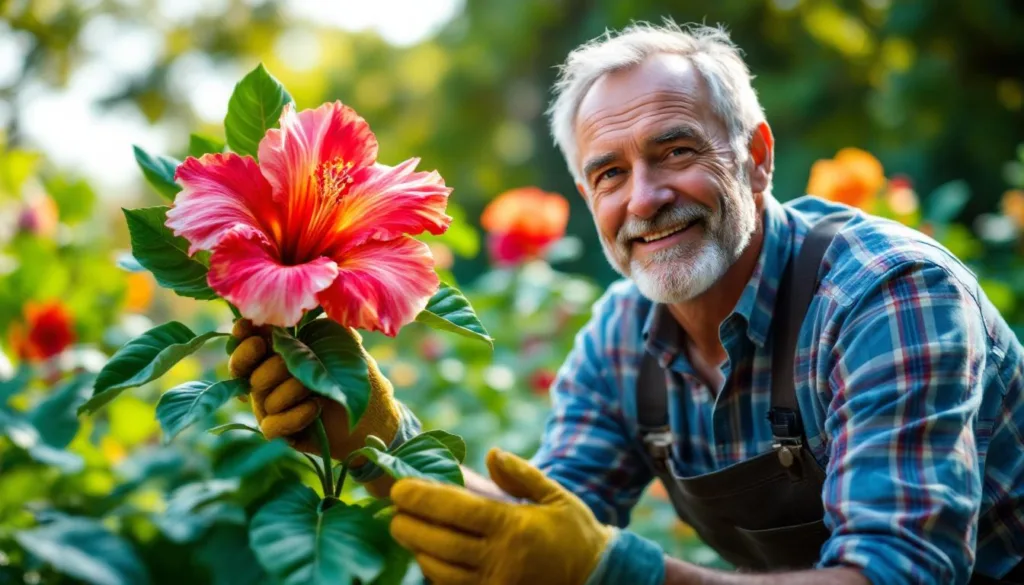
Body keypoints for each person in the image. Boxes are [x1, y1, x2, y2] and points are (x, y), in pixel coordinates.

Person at [227, 21, 1024, 585]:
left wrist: (621, 573)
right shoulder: (619, 338)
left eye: (675, 150)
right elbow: (539, 525)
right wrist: (378, 439)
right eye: (609, 172)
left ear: (756, 158)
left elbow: (900, 574)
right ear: (587, 196)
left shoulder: (885, 295)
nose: (644, 198)